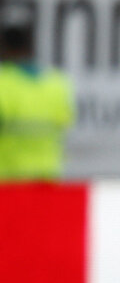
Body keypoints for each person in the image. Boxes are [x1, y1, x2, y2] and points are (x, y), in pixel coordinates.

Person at [0, 22, 74, 180]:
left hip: (8, 182)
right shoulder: (57, 83)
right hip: (47, 179)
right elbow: (65, 123)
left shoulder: (3, 82)